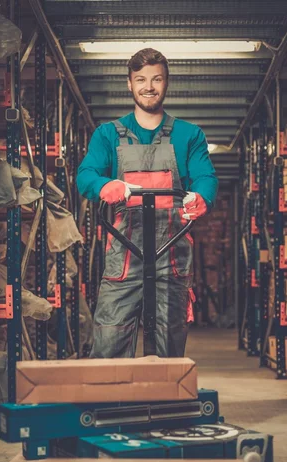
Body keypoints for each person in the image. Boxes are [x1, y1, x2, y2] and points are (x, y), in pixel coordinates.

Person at [76, 48, 218, 358]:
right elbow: (85, 175)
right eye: (140, 79)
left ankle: (166, 406)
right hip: (125, 259)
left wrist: (201, 197)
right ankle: (113, 406)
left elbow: (205, 176)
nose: (148, 86)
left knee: (171, 347)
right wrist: (105, 185)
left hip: (172, 256)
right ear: (129, 84)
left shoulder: (189, 135)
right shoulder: (106, 135)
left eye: (156, 79)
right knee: (110, 339)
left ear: (166, 83)